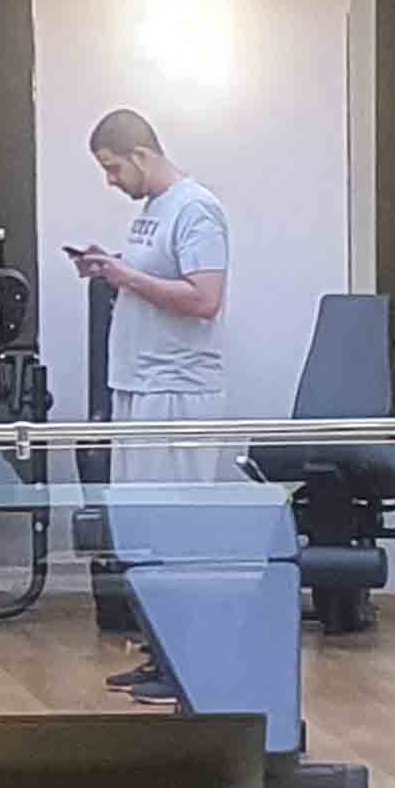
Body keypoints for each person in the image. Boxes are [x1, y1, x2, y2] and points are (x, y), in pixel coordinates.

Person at [71, 109, 234, 700]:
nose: (111, 181)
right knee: (141, 530)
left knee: (176, 532)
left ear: (141, 155)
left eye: (114, 168)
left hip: (178, 392)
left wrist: (124, 277)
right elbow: (153, 277)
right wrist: (110, 265)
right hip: (139, 387)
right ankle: (160, 650)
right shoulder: (152, 213)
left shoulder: (197, 209)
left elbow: (205, 299)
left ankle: (187, 663)